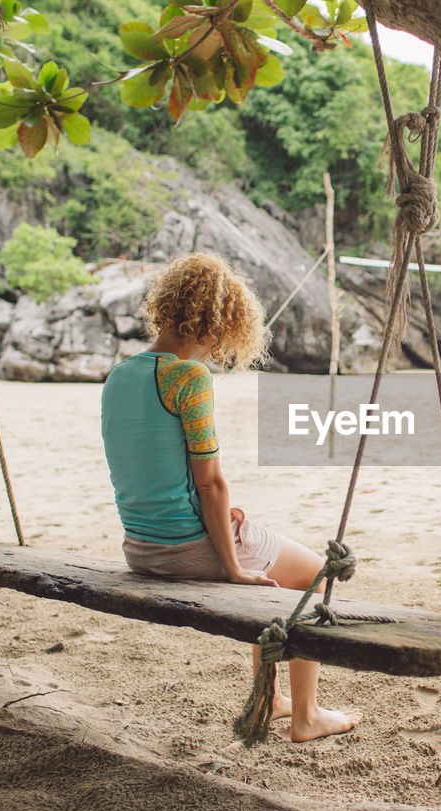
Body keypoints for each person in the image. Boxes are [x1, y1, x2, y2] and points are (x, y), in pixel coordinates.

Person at [100, 252, 361, 742]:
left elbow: (146, 469)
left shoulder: (118, 376)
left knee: (266, 562)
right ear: (221, 321)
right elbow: (211, 484)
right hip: (188, 550)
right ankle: (307, 716)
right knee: (312, 579)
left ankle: (271, 699)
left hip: (140, 548)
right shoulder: (189, 379)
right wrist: (233, 567)